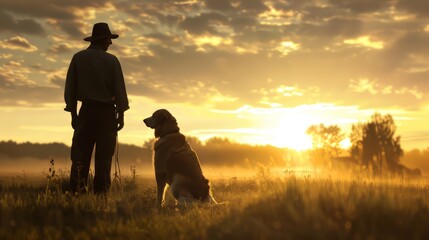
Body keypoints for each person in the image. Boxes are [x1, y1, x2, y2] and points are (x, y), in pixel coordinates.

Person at [64, 22, 129, 195]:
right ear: (103, 39)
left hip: (86, 112)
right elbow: (119, 89)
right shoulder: (112, 60)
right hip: (107, 114)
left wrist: (73, 114)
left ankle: (77, 194)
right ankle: (101, 198)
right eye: (109, 39)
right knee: (104, 160)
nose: (111, 43)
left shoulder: (78, 58)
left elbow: (70, 88)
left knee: (80, 157)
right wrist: (121, 114)